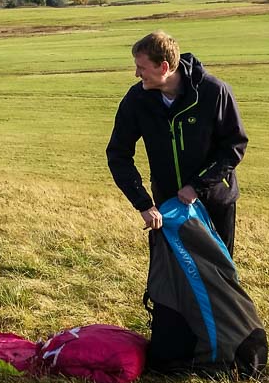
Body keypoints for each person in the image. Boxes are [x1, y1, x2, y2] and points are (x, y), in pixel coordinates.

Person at [106, 31, 248, 254]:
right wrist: (143, 203)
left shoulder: (214, 92)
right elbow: (118, 154)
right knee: (171, 272)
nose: (136, 73)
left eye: (142, 68)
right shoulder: (137, 99)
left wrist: (197, 186)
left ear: (163, 67)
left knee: (217, 271)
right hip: (168, 208)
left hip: (215, 203)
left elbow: (234, 146)